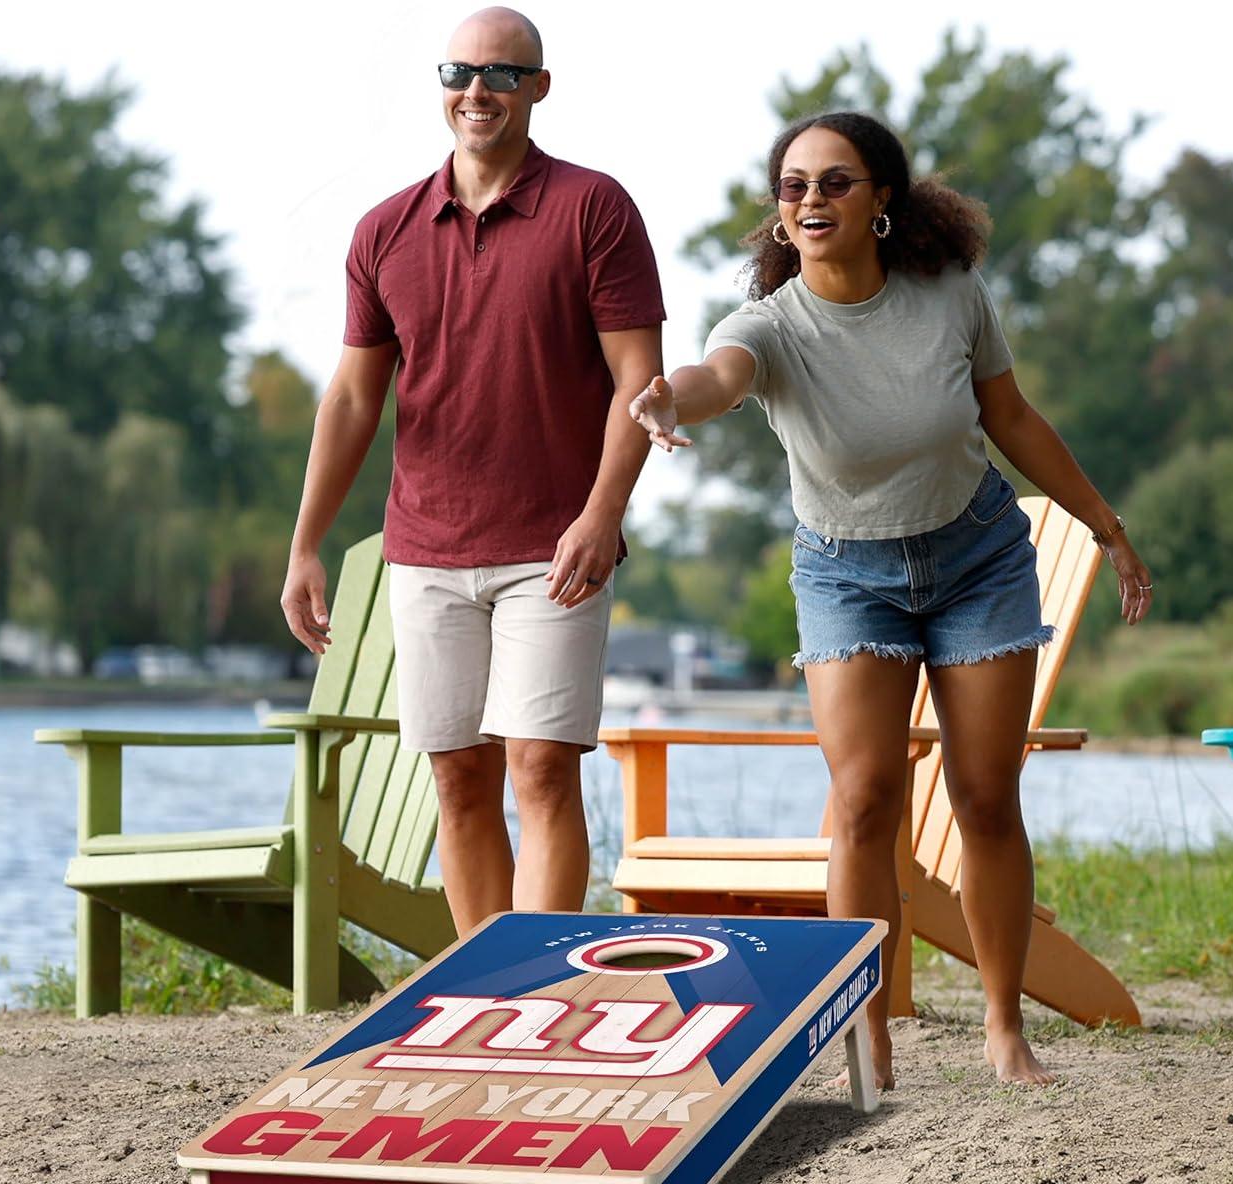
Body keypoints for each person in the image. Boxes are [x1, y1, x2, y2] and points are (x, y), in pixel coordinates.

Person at [630, 111, 1152, 1086]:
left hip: (977, 559)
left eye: (835, 181)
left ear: (880, 200)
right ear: (779, 213)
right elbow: (717, 378)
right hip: (845, 574)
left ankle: (1004, 1028)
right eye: (794, 186)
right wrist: (667, 399)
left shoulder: (950, 294)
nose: (812, 199)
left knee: (985, 797)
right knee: (866, 799)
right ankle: (866, 1035)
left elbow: (1010, 417)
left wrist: (1103, 524)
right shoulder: (768, 326)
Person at [280, 8, 664, 936]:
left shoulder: (594, 208)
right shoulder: (385, 230)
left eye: (502, 74)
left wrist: (602, 514)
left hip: (555, 547)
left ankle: (543, 986)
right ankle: (490, 985)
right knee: (457, 777)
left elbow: (639, 383)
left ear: (540, 87)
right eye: (459, 72)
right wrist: (304, 546)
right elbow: (352, 400)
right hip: (426, 548)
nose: (477, 91)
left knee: (542, 767)